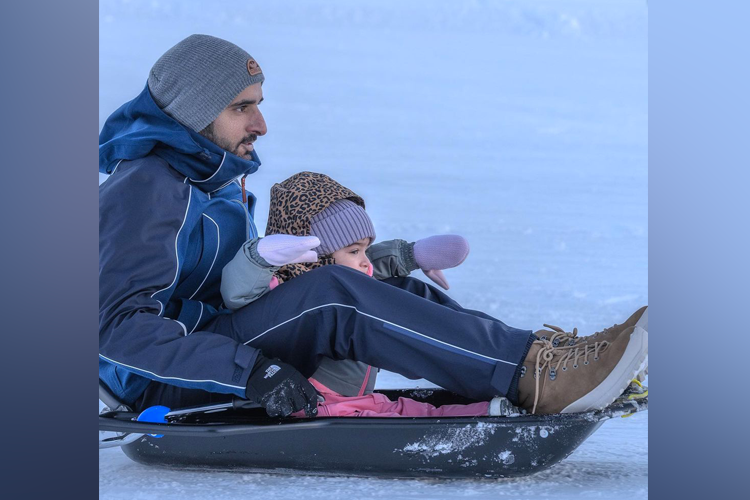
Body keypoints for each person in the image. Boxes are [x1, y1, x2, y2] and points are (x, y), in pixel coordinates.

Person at [99, 34, 648, 419]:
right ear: (196, 112)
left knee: (374, 285)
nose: (262, 124)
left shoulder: (215, 176)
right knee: (335, 296)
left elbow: (241, 282)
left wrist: (392, 258)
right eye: (243, 108)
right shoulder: (146, 186)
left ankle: (534, 365)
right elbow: (117, 328)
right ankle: (535, 377)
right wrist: (247, 373)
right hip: (165, 377)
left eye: (259, 106)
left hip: (219, 347)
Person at [221, 170, 505, 417]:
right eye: (355, 251)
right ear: (315, 258)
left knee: (408, 298)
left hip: (354, 399)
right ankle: (489, 413)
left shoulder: (343, 277)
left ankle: (503, 360)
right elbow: (239, 293)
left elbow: (362, 271)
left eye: (366, 249)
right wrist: (257, 259)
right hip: (317, 404)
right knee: (405, 415)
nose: (365, 260)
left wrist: (410, 255)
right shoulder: (280, 293)